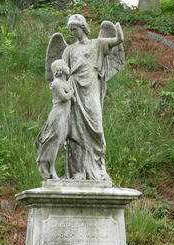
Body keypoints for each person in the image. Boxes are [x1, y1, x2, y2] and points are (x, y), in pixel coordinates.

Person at [62, 14, 124, 181]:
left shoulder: (98, 44)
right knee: (74, 131)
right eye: (71, 29)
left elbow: (118, 40)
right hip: (74, 92)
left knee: (96, 128)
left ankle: (97, 169)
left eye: (75, 28)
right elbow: (61, 71)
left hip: (91, 92)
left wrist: (117, 29)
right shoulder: (69, 50)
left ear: (83, 27)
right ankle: (78, 172)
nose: (73, 32)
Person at [35, 59, 74, 180]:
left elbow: (74, 100)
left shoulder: (66, 83)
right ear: (60, 68)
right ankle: (50, 170)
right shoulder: (57, 83)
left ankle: (51, 169)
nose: (68, 67)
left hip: (65, 115)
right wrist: (72, 92)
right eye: (65, 65)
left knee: (60, 142)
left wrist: (71, 92)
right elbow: (64, 97)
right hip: (57, 115)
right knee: (54, 141)